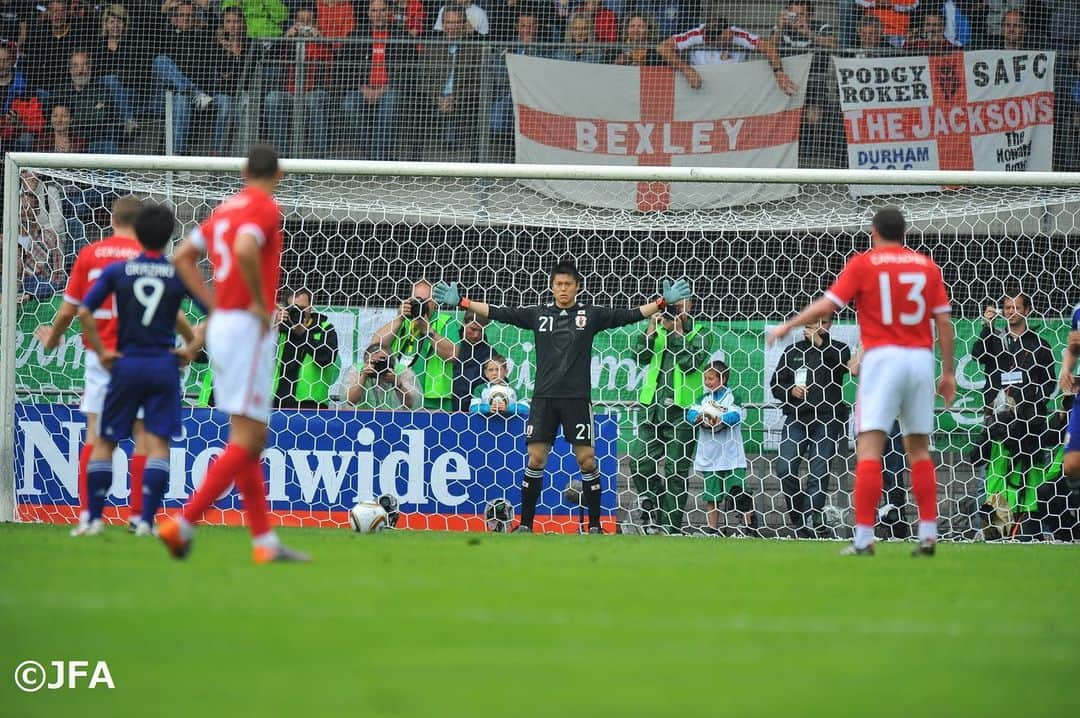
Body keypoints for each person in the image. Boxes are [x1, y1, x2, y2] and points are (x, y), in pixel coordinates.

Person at [432, 261, 691, 534]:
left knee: (587, 459)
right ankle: (527, 525)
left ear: (577, 286)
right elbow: (500, 312)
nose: (563, 288)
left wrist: (661, 303)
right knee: (535, 458)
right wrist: (462, 301)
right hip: (544, 399)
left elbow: (627, 314)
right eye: (559, 284)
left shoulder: (590, 315)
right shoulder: (538, 314)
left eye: (568, 284)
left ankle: (593, 526)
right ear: (552, 286)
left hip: (577, 399)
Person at [767, 207, 955, 556]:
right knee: (918, 450)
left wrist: (788, 325)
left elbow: (828, 303)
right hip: (918, 359)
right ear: (904, 232)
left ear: (873, 231)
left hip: (882, 359)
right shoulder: (927, 266)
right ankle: (928, 533)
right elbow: (944, 321)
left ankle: (864, 538)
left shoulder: (863, 264)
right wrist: (947, 372)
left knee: (869, 449)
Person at [164, 144, 309, 563]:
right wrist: (261, 304)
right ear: (277, 174)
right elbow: (247, 249)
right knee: (249, 438)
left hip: (226, 323)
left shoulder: (222, 209)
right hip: (246, 327)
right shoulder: (264, 207)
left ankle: (264, 543)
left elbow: (182, 257)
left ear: (244, 171)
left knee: (248, 438)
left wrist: (214, 303)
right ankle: (183, 522)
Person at [76, 204, 205, 537]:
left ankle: (92, 519)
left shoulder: (119, 271)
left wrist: (103, 352)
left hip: (126, 363)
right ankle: (145, 520)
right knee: (157, 443)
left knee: (106, 440)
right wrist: (190, 349)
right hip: (163, 365)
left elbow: (85, 312)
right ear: (169, 237)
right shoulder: (178, 273)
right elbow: (214, 313)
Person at [36, 195, 150, 536]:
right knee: (144, 436)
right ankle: (140, 518)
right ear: (141, 223)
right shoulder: (150, 258)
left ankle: (90, 517)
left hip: (101, 355)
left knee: (97, 435)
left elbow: (70, 309)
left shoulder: (90, 254)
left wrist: (53, 338)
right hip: (141, 355)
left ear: (111, 220)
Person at [630, 299, 708, 535]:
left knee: (676, 471)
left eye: (680, 305)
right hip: (651, 407)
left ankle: (669, 527)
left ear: (690, 305)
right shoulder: (657, 327)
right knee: (639, 461)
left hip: (682, 411)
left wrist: (678, 332)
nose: (674, 310)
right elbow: (639, 356)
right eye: (671, 305)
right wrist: (651, 330)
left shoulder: (700, 332)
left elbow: (689, 364)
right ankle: (655, 506)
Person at [769, 316, 851, 538]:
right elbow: (776, 383)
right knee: (785, 468)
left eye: (812, 326)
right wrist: (790, 391)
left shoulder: (839, 350)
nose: (807, 330)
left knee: (819, 472)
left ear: (825, 326)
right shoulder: (793, 351)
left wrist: (821, 344)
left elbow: (844, 368)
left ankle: (806, 526)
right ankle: (801, 518)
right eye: (806, 326)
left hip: (827, 420)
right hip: (797, 418)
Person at [687, 360, 755, 536]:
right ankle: (713, 530)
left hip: (730, 454)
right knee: (712, 495)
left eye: (711, 378)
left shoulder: (734, 397)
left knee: (738, 491)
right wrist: (699, 418)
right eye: (706, 379)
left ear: (723, 379)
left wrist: (719, 420)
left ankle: (748, 528)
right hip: (710, 455)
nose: (707, 382)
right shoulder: (703, 399)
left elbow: (736, 415)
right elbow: (691, 413)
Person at [656, 14, 796, 96]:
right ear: (711, 41)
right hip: (701, 90)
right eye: (725, 41)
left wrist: (779, 73)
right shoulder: (695, 35)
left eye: (730, 38)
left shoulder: (736, 34)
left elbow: (768, 46)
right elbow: (662, 47)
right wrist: (687, 70)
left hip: (733, 90)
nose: (730, 41)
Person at [370, 279, 457, 410]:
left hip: (433, 403)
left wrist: (427, 330)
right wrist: (399, 318)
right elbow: (375, 346)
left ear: (434, 302)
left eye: (424, 301)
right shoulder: (403, 322)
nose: (420, 304)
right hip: (398, 399)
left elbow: (453, 355)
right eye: (416, 300)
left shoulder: (445, 322)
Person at [275, 288, 339, 409]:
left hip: (310, 404)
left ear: (311, 307)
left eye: (304, 308)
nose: (300, 312)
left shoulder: (324, 328)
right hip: (276, 403)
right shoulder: (280, 328)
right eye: (295, 308)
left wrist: (303, 333)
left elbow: (327, 358)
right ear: (286, 309)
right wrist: (274, 326)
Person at [344, 343, 421, 409]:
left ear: (391, 361)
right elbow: (350, 401)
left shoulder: (402, 372)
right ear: (365, 362)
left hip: (395, 418)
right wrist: (363, 377)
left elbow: (410, 405)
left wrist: (397, 383)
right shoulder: (357, 370)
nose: (378, 366)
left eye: (382, 362)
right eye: (374, 362)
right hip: (363, 418)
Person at [449, 310, 494, 412]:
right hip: (444, 407)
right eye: (473, 329)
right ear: (463, 323)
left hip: (474, 413)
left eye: (481, 331)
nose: (476, 335)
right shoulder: (450, 342)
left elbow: (501, 381)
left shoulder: (489, 353)